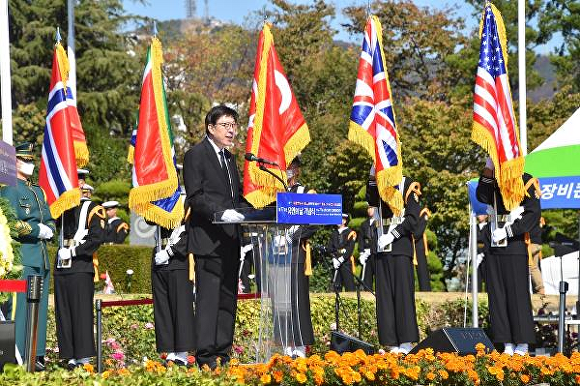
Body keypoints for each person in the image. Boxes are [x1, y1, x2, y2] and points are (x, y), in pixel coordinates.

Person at [183, 105, 247, 369]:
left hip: (231, 240)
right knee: (209, 300)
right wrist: (221, 214)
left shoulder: (230, 159)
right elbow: (195, 197)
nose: (231, 130)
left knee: (227, 299)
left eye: (233, 125)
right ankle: (206, 357)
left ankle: (223, 352)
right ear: (211, 127)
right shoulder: (196, 155)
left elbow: (236, 198)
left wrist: (260, 211)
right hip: (209, 240)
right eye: (226, 125)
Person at [476, 159, 540, 355]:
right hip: (494, 244)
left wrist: (510, 231)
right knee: (497, 296)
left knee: (517, 295)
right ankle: (506, 342)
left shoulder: (526, 180)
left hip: (514, 244)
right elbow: (481, 196)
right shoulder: (493, 180)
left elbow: (533, 214)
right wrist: (488, 170)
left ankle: (522, 342)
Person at [0, 142, 55, 371]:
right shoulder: (9, 190)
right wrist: (35, 230)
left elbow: (49, 218)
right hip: (23, 258)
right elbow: (9, 223)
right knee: (21, 310)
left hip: (41, 258)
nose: (30, 164)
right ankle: (19, 358)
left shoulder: (38, 191)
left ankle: (36, 356)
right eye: (26, 160)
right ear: (15, 162)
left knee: (40, 310)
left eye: (32, 160)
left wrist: (49, 229)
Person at [368, 171, 421, 354]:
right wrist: (372, 177)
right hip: (382, 247)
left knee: (403, 295)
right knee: (384, 298)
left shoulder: (407, 184)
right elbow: (372, 200)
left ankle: (405, 343)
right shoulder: (380, 182)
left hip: (399, 247)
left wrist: (393, 234)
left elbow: (413, 219)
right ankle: (390, 343)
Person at [54, 189, 106, 368]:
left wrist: (74, 251)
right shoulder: (63, 206)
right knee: (64, 313)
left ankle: (83, 358)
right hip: (61, 264)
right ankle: (69, 356)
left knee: (81, 312)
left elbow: (97, 238)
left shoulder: (93, 208)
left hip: (80, 265)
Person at [151, 202, 195, 366]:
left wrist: (170, 252)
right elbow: (149, 220)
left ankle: (182, 354)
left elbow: (190, 233)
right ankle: (169, 352)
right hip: (158, 257)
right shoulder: (159, 201)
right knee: (163, 308)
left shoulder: (184, 202)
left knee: (181, 308)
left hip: (177, 260)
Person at [284, 156, 317, 357]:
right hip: (277, 252)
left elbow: (312, 224)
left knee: (298, 298)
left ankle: (301, 344)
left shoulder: (305, 192)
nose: (287, 170)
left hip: (296, 251)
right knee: (283, 301)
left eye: (290, 166)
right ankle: (286, 341)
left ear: (297, 169)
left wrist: (293, 236)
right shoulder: (277, 193)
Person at [327, 214, 357, 292]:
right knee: (336, 286)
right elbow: (330, 248)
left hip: (346, 262)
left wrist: (342, 258)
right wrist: (334, 258)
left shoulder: (350, 233)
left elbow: (350, 248)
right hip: (336, 262)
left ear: (344, 221)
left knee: (349, 285)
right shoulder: (334, 233)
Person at [358, 206, 377, 291]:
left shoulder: (379, 222)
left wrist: (372, 248)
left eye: (371, 208)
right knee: (367, 277)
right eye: (368, 208)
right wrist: (361, 252)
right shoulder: (364, 224)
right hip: (366, 253)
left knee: (378, 275)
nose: (369, 210)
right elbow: (361, 238)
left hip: (376, 252)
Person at [414, 207, 432, 291]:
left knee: (422, 270)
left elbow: (418, 232)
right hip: (410, 244)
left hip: (418, 246)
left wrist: (411, 235)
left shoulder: (423, 214)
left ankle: (425, 289)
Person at [529, 217, 545, 294]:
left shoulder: (526, 215)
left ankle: (522, 290)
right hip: (537, 243)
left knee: (523, 268)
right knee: (534, 268)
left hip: (530, 243)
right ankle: (541, 289)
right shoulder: (537, 216)